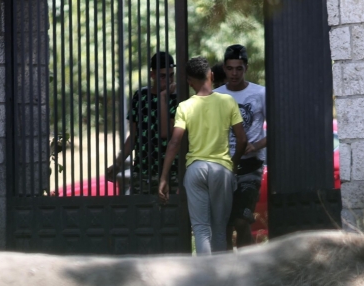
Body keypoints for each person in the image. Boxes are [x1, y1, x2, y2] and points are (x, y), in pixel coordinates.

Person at [158, 56, 248, 255]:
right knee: (219, 229)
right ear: (212, 75)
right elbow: (242, 140)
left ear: (190, 82)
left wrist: (164, 177)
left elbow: (174, 142)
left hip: (196, 170)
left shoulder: (185, 107)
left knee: (200, 229)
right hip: (221, 170)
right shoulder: (228, 101)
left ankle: (204, 279)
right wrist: (232, 164)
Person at [215, 44, 266, 249]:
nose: (234, 73)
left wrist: (255, 145)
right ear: (224, 69)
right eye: (230, 68)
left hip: (250, 167)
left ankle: (249, 270)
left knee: (241, 221)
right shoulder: (215, 96)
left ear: (246, 68)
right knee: (224, 225)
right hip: (223, 167)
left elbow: (277, 128)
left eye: (239, 68)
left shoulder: (260, 93)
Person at [107, 51, 178, 195]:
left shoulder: (176, 98)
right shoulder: (141, 96)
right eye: (163, 76)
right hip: (143, 172)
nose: (169, 80)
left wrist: (164, 98)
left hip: (170, 172)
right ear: (153, 75)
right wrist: (118, 162)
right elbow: (133, 137)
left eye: (171, 75)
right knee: (140, 214)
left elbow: (168, 133)